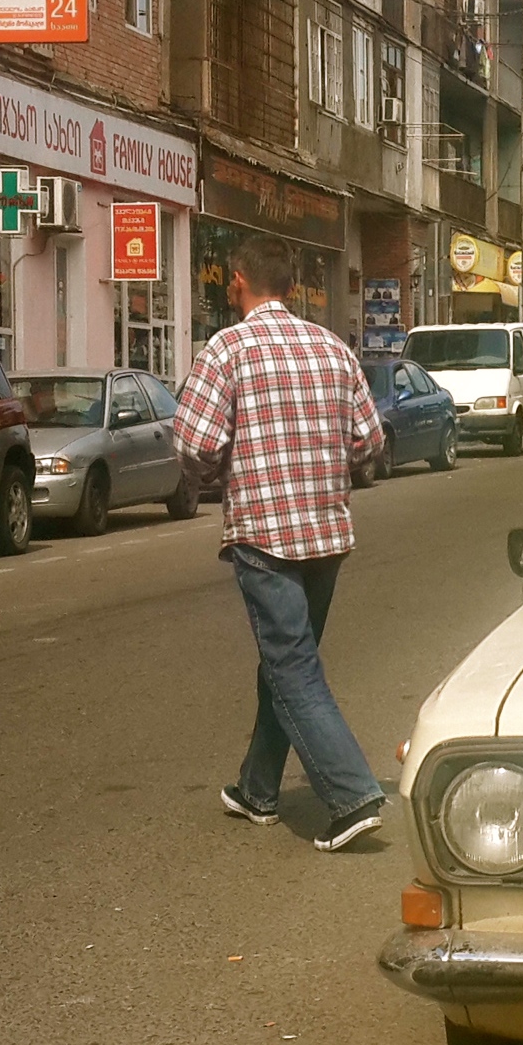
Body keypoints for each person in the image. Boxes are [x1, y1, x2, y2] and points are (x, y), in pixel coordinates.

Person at [173, 234, 389, 851]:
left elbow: (194, 446)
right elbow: (369, 441)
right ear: (292, 288)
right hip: (326, 533)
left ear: (236, 281)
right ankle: (257, 789)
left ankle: (351, 796)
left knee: (292, 665)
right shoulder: (332, 348)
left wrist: (216, 479)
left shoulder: (227, 349)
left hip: (264, 534)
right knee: (289, 660)